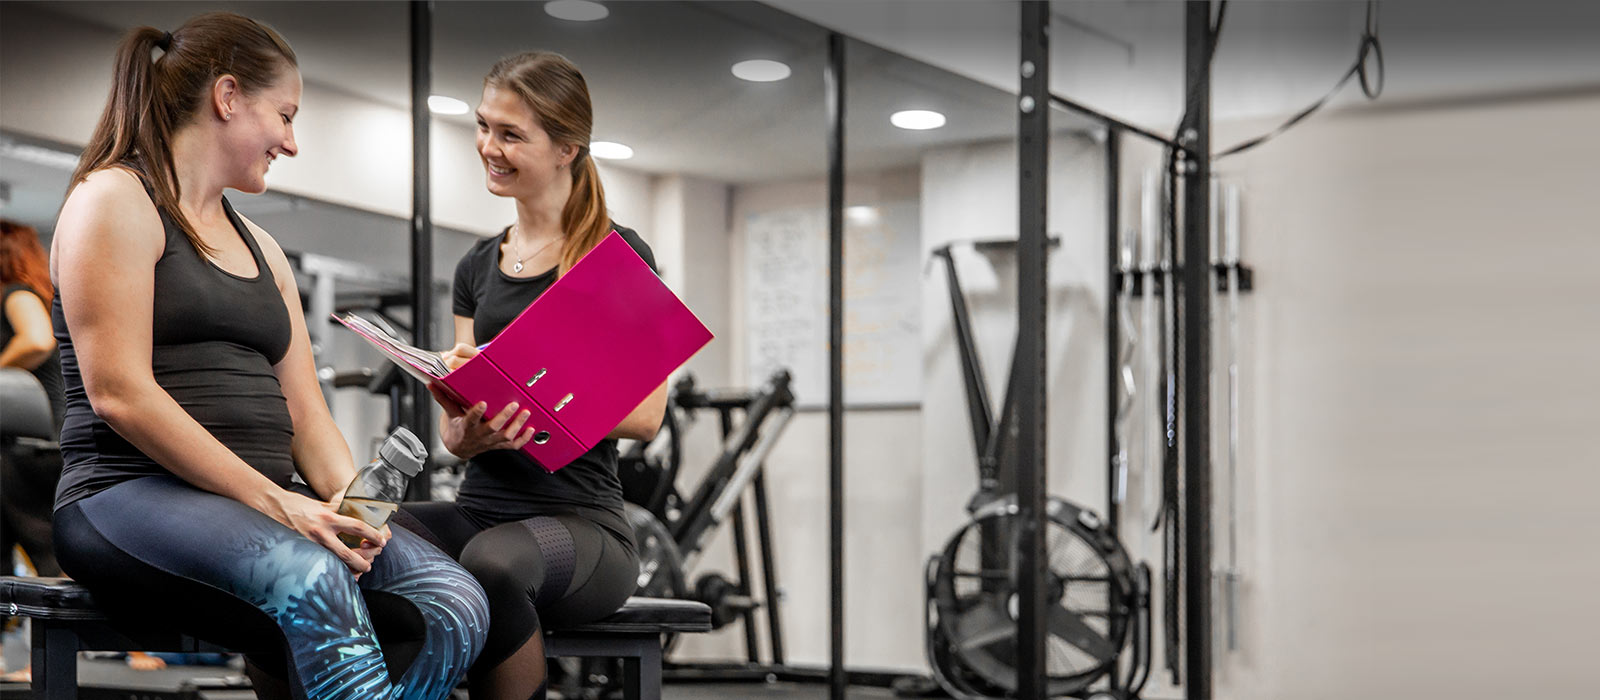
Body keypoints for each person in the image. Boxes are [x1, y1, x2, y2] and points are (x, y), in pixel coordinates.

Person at [47, 13, 487, 700]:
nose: (291, 140)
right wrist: (285, 506)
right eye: (284, 115)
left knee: (454, 601)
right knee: (310, 581)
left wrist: (349, 505)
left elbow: (308, 417)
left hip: (261, 506)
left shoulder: (264, 249)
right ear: (227, 98)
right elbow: (120, 394)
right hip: (123, 496)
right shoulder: (114, 201)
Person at [392, 51, 663, 700]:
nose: (489, 146)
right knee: (365, 530)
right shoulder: (477, 266)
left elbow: (647, 416)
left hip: (581, 526)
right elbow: (452, 436)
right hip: (483, 505)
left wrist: (529, 399)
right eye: (484, 126)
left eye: (511, 134)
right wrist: (468, 430)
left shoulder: (616, 256)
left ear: (567, 147)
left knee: (490, 566)